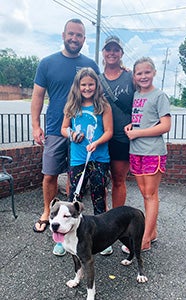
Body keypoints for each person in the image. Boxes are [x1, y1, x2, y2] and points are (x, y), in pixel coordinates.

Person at [31, 19, 99, 255]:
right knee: (49, 174)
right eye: (71, 34)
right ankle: (48, 214)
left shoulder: (89, 64)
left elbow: (100, 91)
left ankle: (69, 220)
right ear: (63, 35)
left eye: (79, 35)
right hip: (54, 130)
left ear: (84, 39)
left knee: (74, 176)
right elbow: (38, 96)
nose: (74, 38)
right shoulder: (47, 63)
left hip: (81, 132)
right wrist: (36, 126)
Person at [61, 67, 113, 255]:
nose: (87, 88)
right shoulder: (72, 106)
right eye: (83, 84)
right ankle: (65, 236)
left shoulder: (103, 106)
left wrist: (97, 143)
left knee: (98, 196)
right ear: (78, 86)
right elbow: (63, 128)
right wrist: (72, 134)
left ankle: (102, 238)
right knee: (74, 197)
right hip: (77, 159)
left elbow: (109, 131)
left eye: (91, 84)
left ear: (96, 85)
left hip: (99, 158)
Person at [123, 57, 171, 252]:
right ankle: (152, 232)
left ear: (154, 73)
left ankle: (144, 240)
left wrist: (138, 133)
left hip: (152, 152)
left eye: (147, 72)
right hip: (136, 150)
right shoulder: (135, 95)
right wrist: (132, 126)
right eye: (139, 73)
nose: (143, 76)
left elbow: (165, 125)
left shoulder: (160, 96)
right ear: (134, 76)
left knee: (150, 195)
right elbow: (143, 120)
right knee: (145, 194)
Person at [100, 36, 135, 208]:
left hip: (122, 137)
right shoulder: (97, 79)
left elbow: (142, 101)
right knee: (99, 179)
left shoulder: (130, 77)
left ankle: (117, 219)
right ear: (103, 52)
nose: (112, 53)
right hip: (101, 136)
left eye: (116, 49)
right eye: (108, 49)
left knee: (118, 180)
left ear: (121, 53)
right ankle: (102, 216)